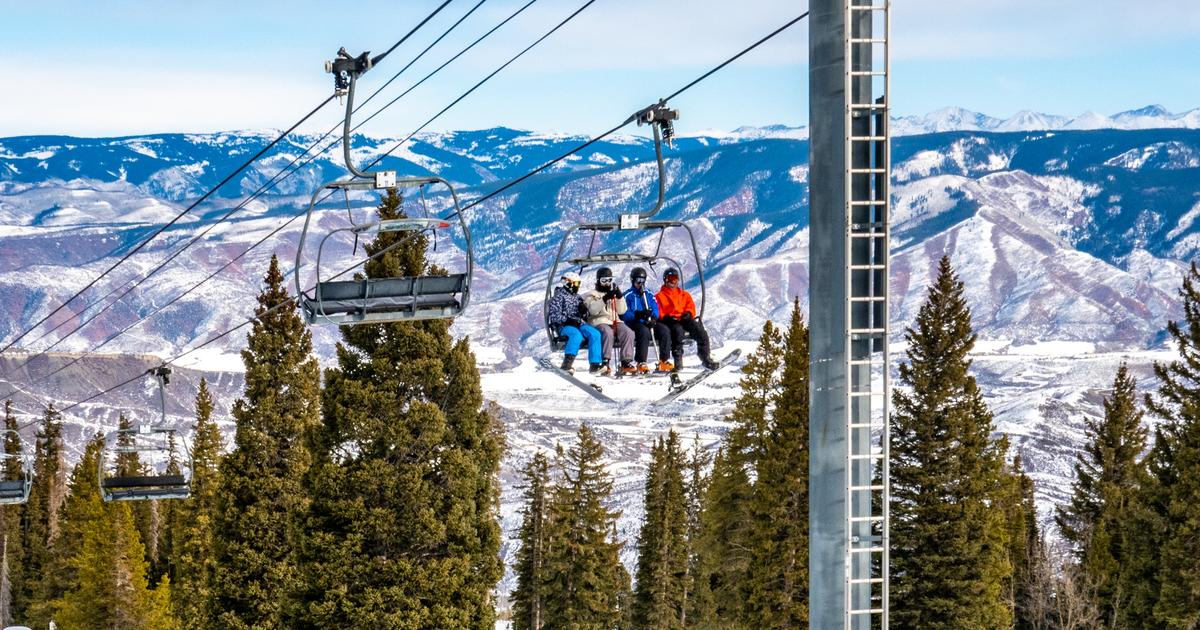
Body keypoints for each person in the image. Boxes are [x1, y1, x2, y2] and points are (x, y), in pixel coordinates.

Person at [655, 267, 719, 371]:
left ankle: (705, 357)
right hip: (671, 322)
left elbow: (691, 306)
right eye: (670, 278)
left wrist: (689, 313)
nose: (673, 281)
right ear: (665, 279)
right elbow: (658, 311)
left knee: (700, 331)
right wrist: (666, 317)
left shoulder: (684, 295)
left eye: (675, 278)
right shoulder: (659, 296)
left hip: (684, 319)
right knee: (677, 331)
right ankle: (678, 360)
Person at [583, 267, 635, 376]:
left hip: (614, 320)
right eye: (604, 281)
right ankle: (605, 361)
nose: (607, 284)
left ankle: (626, 361)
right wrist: (604, 299)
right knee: (607, 332)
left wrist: (619, 297)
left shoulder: (613, 294)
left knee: (628, 332)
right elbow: (592, 310)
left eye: (609, 280)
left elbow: (622, 310)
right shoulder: (591, 295)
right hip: (599, 321)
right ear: (598, 281)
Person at [547, 271, 602, 373]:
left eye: (578, 284)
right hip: (565, 326)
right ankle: (567, 364)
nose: (577, 286)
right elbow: (555, 316)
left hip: (578, 323)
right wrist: (567, 320)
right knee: (576, 335)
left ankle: (594, 364)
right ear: (567, 283)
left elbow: (585, 316)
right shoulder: (558, 297)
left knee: (595, 333)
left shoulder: (577, 297)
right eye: (576, 284)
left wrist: (584, 311)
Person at [622, 267, 672, 373]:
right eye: (638, 281)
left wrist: (654, 317)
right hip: (635, 322)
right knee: (644, 332)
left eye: (643, 281)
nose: (640, 284)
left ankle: (664, 360)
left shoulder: (648, 293)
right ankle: (641, 362)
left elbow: (655, 307)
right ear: (632, 280)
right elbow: (625, 314)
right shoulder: (628, 295)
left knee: (664, 330)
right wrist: (638, 315)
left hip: (648, 321)